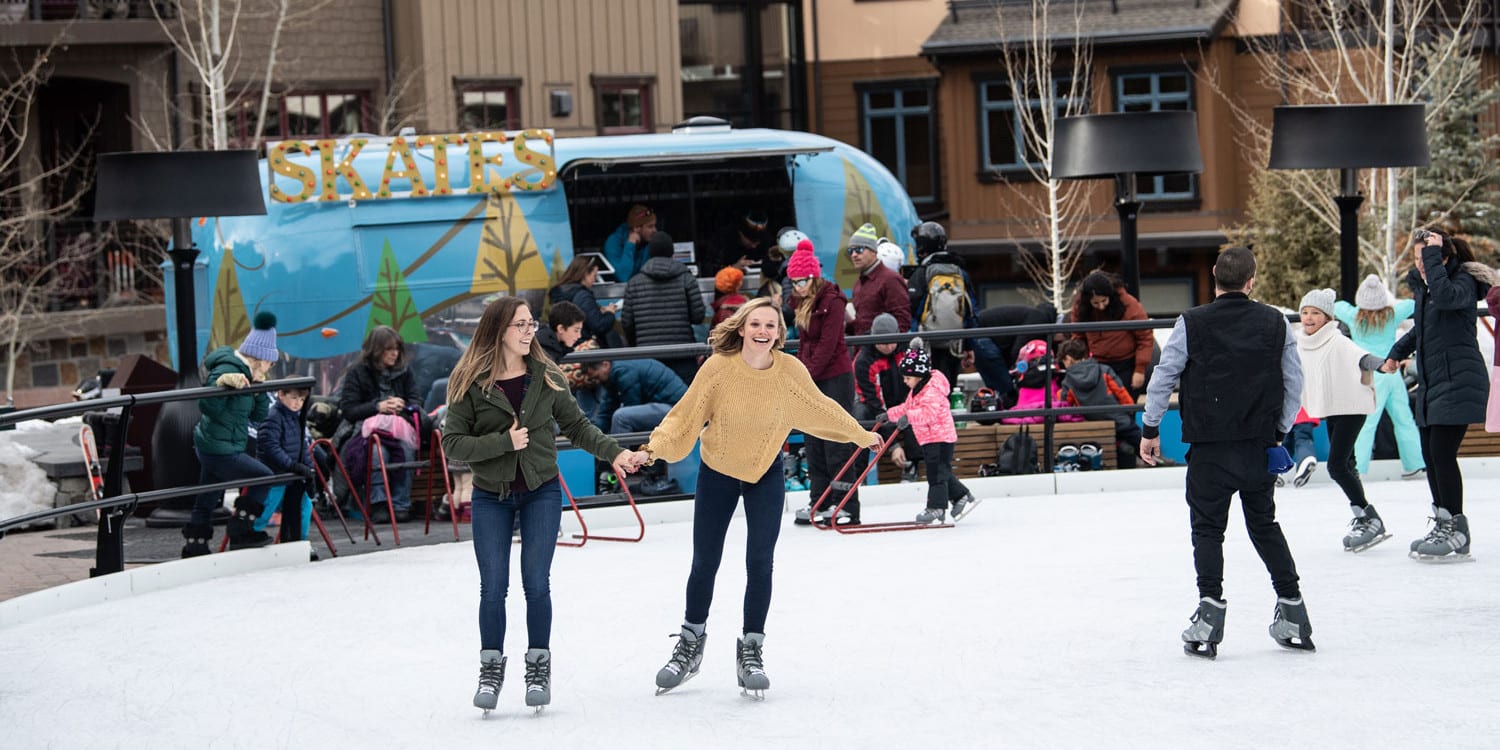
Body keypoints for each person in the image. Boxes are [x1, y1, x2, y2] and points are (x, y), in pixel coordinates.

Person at [640, 297, 881, 699]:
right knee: (705, 561)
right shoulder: (718, 369)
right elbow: (685, 414)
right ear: (742, 327)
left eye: (771, 325)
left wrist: (857, 432)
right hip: (717, 471)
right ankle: (690, 644)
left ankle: (751, 649)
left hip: (764, 473)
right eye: (756, 324)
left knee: (760, 562)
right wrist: (653, 449)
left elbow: (820, 407)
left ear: (779, 333)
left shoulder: (789, 372)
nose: (763, 331)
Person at [442, 296, 648, 714]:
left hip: (540, 490)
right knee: (493, 587)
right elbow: (452, 443)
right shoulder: (469, 379)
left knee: (536, 583)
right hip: (491, 496)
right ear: (498, 330)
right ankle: (490, 668)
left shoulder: (546, 374)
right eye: (520, 324)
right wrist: (503, 442)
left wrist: (614, 453)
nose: (528, 331)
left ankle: (538, 665)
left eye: (530, 324)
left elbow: (576, 425)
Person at [1140, 246, 1312, 659]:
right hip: (1257, 444)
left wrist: (1150, 427)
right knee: (1264, 525)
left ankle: (1210, 613)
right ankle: (1293, 608)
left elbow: (1164, 375)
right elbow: (1294, 382)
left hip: (1209, 448)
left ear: (1215, 274)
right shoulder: (1276, 323)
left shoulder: (1191, 323)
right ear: (1251, 280)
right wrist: (1277, 432)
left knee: (1207, 530)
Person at [1379, 230, 1494, 561]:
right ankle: (1444, 521)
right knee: (1431, 455)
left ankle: (1458, 530)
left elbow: (1446, 298)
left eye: (1425, 257)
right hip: (1434, 383)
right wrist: (1396, 352)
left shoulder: (1461, 284)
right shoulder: (1429, 290)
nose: (1420, 265)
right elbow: (1423, 329)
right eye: (1416, 259)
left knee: (1442, 454)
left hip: (1459, 380)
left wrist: (1433, 259)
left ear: (1443, 257)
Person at [1294, 288, 1388, 551]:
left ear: (1327, 317)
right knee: (1347, 463)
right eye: (1305, 312)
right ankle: (1364, 518)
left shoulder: (1337, 340)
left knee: (1336, 466)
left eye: (1315, 313)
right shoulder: (1303, 341)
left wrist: (1384, 365)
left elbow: (1363, 357)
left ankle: (1368, 517)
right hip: (1334, 408)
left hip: (1351, 406)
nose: (1309, 318)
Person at [181, 312, 280, 558]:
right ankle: (241, 530)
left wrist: (258, 391)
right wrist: (223, 385)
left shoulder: (249, 376)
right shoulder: (228, 368)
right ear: (260, 358)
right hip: (219, 448)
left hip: (220, 444)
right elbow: (207, 406)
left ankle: (195, 545)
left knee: (208, 495)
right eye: (271, 363)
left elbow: (258, 417)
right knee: (264, 477)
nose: (271, 368)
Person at [784, 239, 863, 526]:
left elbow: (829, 345)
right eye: (794, 281)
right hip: (811, 379)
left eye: (803, 280)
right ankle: (819, 500)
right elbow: (805, 345)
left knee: (836, 442)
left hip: (834, 378)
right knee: (813, 441)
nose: (798, 286)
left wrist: (805, 376)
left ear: (814, 277)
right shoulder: (802, 302)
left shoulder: (833, 301)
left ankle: (846, 506)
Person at [1333, 274, 1424, 477]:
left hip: (1370, 374)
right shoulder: (1392, 314)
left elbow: (1336, 306)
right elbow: (1411, 304)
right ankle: (1414, 463)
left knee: (1366, 424)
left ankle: (1359, 468)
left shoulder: (1353, 315)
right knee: (1404, 419)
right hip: (1392, 372)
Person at [905, 220, 1011, 393]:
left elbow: (912, 310)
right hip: (954, 344)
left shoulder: (922, 273)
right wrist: (969, 346)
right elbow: (970, 312)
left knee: (927, 392)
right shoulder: (959, 272)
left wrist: (912, 345)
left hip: (927, 345)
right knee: (948, 389)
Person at [336, 325, 421, 523]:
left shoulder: (405, 372)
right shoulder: (357, 373)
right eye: (389, 349)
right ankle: (378, 503)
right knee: (377, 453)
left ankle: (401, 504)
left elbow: (416, 400)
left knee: (407, 449)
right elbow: (349, 409)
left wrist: (403, 405)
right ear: (376, 350)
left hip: (398, 428)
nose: (395, 353)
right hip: (365, 430)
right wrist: (378, 406)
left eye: (397, 349)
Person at [884, 348, 977, 525]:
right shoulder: (917, 389)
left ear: (918, 375)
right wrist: (888, 415)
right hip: (929, 438)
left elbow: (928, 413)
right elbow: (907, 408)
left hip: (940, 438)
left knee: (936, 475)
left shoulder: (932, 390)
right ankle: (961, 495)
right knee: (940, 471)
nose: (905, 381)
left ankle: (936, 508)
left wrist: (908, 418)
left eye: (907, 378)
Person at [622, 231, 707, 386]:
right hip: (683, 353)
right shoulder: (686, 278)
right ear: (672, 252)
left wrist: (638, 345)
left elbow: (627, 323)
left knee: (653, 404)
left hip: (647, 355)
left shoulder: (634, 283)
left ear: (650, 252)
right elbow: (698, 316)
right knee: (685, 402)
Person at [853, 313, 919, 481]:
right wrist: (893, 445)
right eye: (883, 343)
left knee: (918, 408)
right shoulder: (863, 361)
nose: (889, 347)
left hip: (904, 401)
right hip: (876, 405)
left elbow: (920, 384)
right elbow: (875, 403)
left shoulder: (908, 350)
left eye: (892, 341)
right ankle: (857, 476)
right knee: (860, 417)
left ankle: (913, 465)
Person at [1069, 270, 1154, 400]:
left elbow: (1145, 337)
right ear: (1088, 301)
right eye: (1095, 303)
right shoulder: (1081, 308)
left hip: (1127, 365)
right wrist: (1083, 365)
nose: (1101, 306)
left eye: (1104, 301)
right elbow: (1078, 337)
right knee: (1101, 406)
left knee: (1126, 408)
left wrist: (1139, 370)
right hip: (1097, 364)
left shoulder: (1128, 303)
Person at [1057, 338, 1140, 469]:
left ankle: (1120, 445)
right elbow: (1121, 393)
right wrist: (1129, 410)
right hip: (1119, 420)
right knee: (1138, 437)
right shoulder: (1103, 370)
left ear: (1068, 358)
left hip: (1092, 423)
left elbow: (1064, 405)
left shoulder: (1067, 381)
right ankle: (1154, 458)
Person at [255, 385, 317, 547]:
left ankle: (299, 542)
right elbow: (270, 447)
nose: (298, 403)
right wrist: (293, 465)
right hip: (276, 474)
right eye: (294, 398)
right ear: (280, 394)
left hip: (293, 474)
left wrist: (310, 469)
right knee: (265, 509)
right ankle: (252, 537)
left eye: (302, 399)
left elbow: (302, 446)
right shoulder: (273, 416)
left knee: (304, 508)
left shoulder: (295, 417)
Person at [847, 223, 912, 336]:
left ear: (873, 251)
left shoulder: (891, 279)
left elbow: (903, 322)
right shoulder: (859, 283)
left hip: (883, 352)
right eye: (850, 251)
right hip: (863, 350)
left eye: (859, 249)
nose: (854, 255)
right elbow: (862, 324)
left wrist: (884, 347)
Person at [548, 256, 620, 348]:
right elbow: (598, 325)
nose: (595, 280)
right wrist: (610, 313)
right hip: (583, 347)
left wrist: (598, 312)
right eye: (594, 275)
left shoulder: (561, 293)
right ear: (585, 274)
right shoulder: (582, 295)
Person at [706, 210, 771, 278]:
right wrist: (732, 269)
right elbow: (708, 271)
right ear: (740, 233)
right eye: (751, 241)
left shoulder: (765, 241)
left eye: (757, 242)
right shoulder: (722, 240)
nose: (754, 246)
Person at [601, 204, 656, 282]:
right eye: (650, 227)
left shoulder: (650, 242)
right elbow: (623, 277)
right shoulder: (613, 243)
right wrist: (630, 245)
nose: (655, 230)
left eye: (654, 226)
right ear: (636, 228)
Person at [537, 300, 586, 365]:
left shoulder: (551, 347)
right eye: (576, 330)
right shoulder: (545, 353)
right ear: (561, 329)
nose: (579, 336)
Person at [1280, 409, 1319, 488]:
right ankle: (1306, 457)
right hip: (1307, 411)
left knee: (1286, 443)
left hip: (1288, 413)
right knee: (1302, 439)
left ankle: (1277, 469)